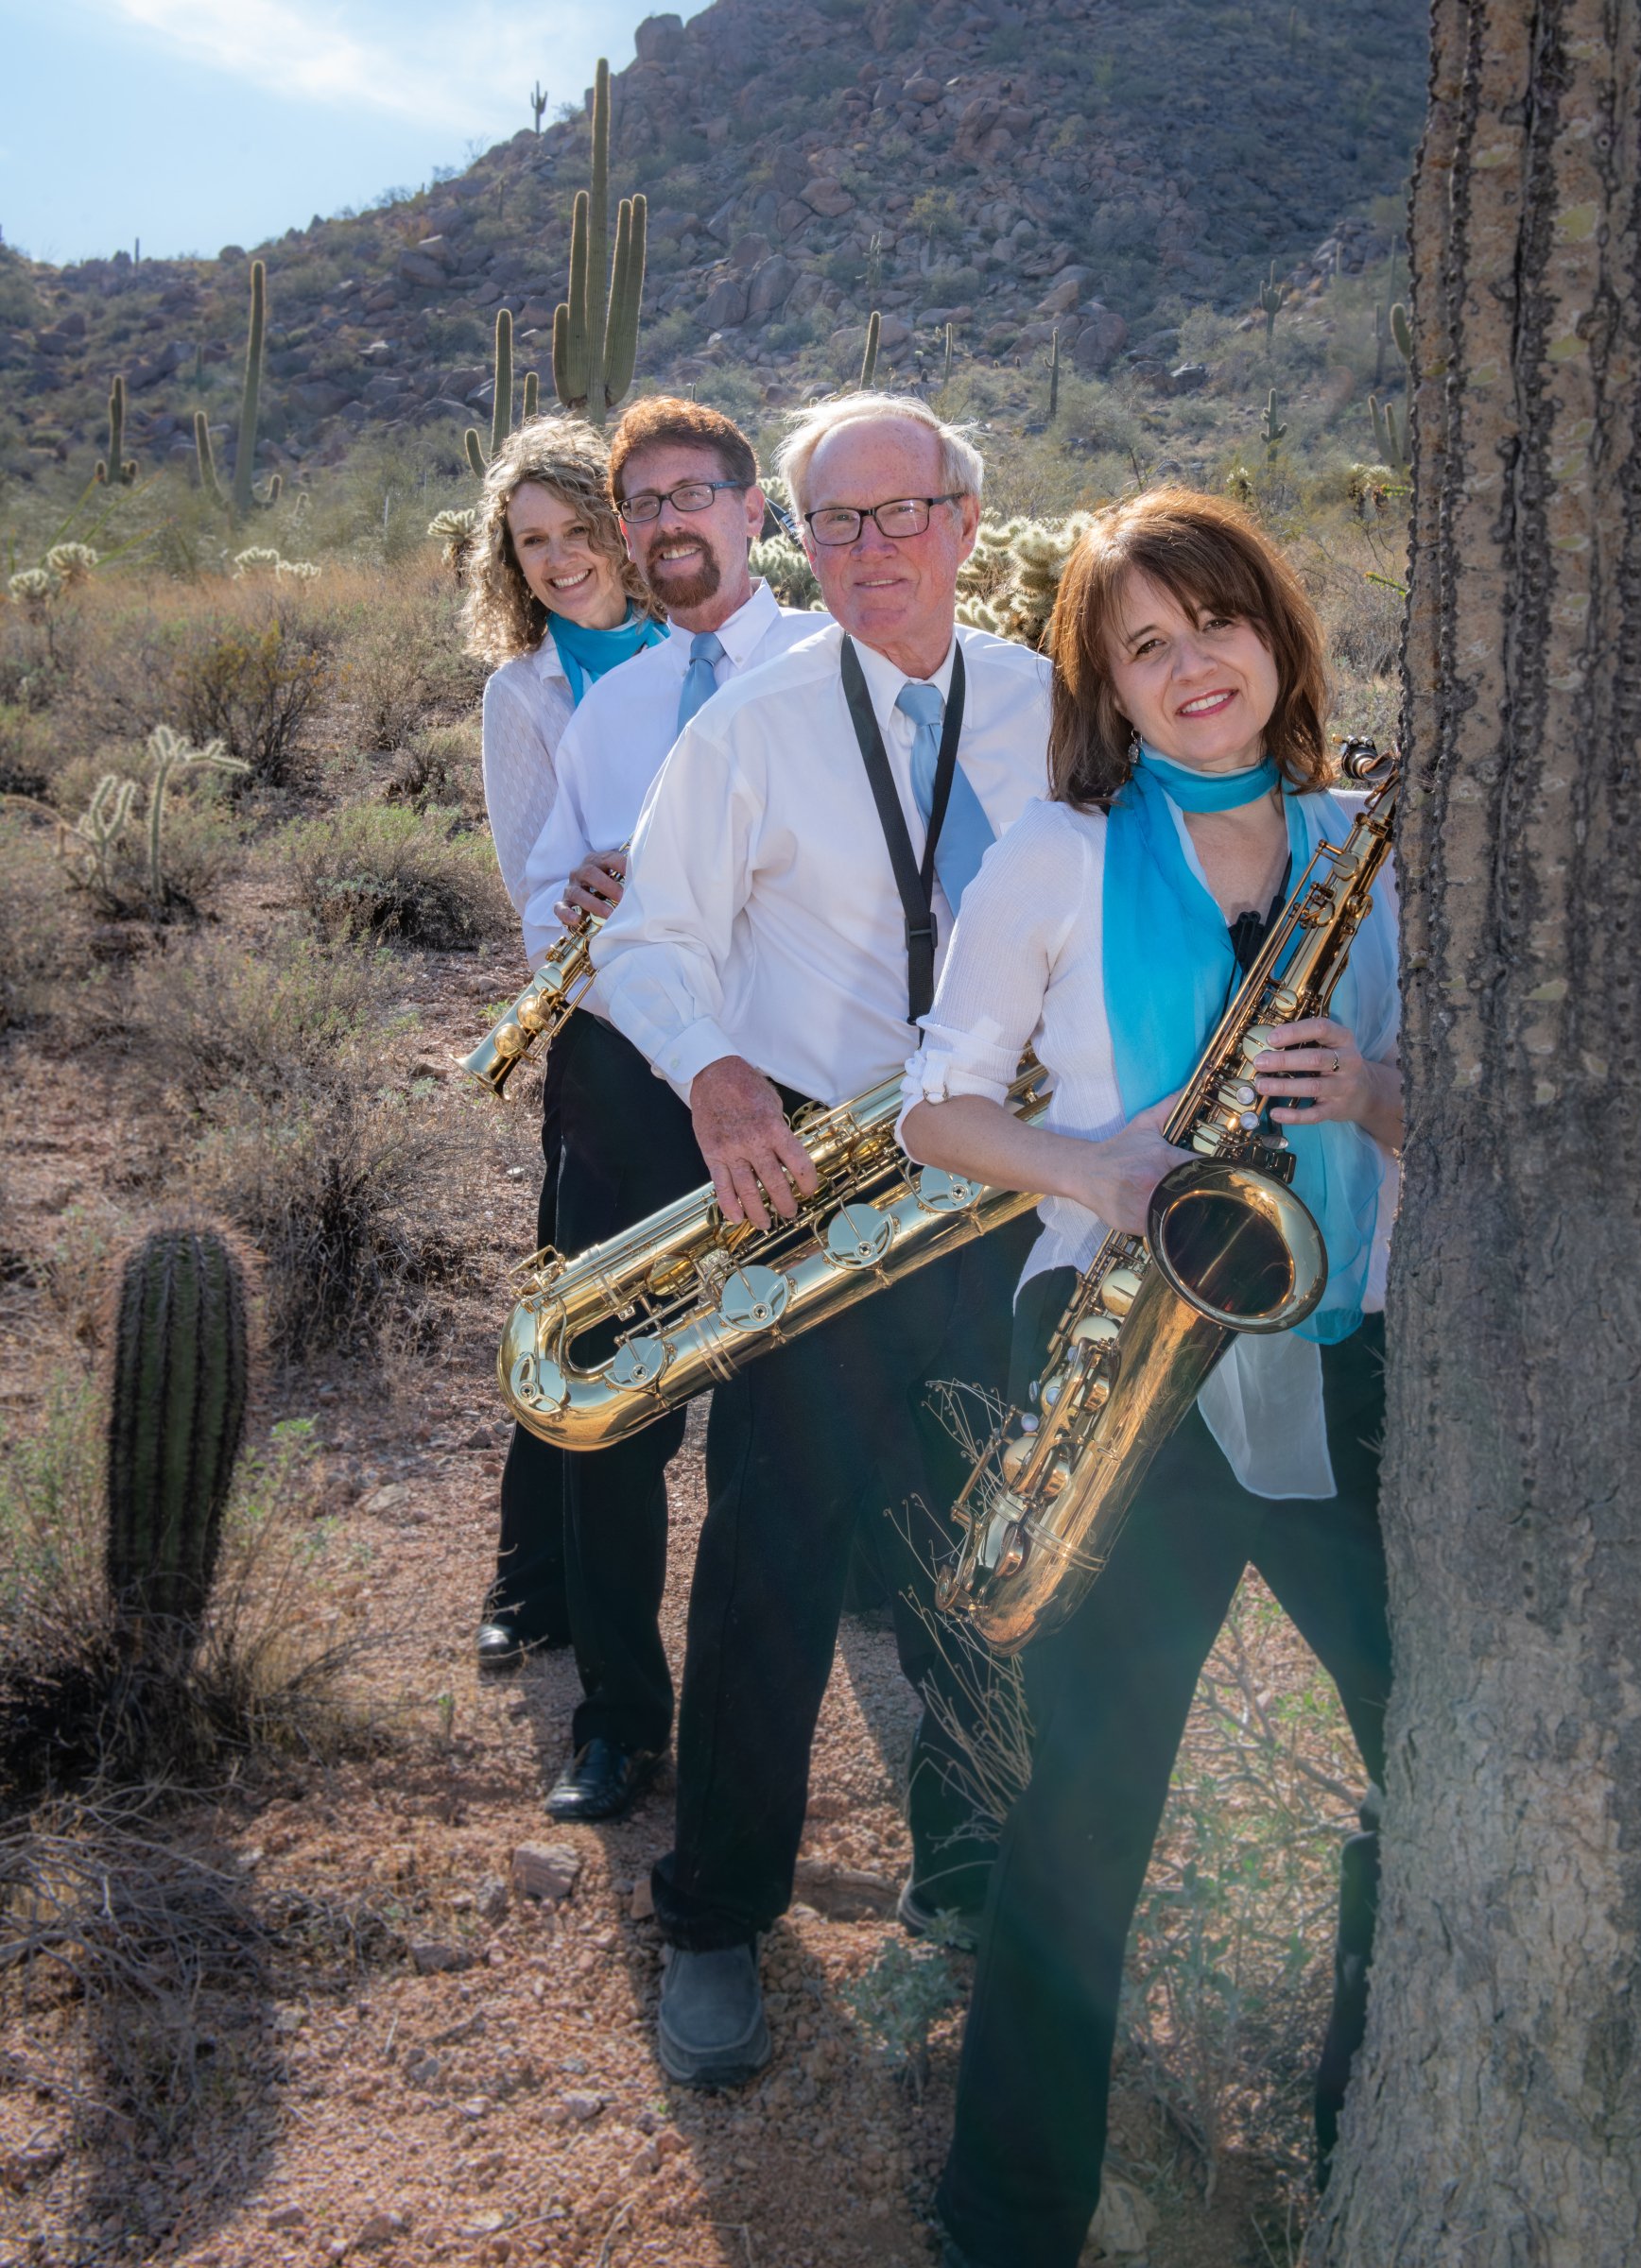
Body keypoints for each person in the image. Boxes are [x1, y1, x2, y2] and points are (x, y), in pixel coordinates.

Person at [896, 489, 1400, 2268]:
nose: (1196, 667)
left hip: (1351, 1365)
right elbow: (935, 1108)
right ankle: (1007, 2225)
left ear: (1278, 631)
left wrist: (1384, 1102)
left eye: (1221, 624)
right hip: (1127, 1360)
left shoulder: (1372, 845)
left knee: (1428, 1771)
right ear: (1106, 682)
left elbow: (1454, 1123)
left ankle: (1374, 2142)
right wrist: (1097, 1169)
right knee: (1094, 1809)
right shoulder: (1051, 853)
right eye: (1149, 643)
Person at [588, 394, 1052, 2087]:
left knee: (993, 1549)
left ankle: (970, 1859)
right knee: (773, 1565)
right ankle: (715, 1918)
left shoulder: (1057, 706)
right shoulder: (753, 727)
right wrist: (713, 1080)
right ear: (802, 540)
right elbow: (649, 939)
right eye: (834, 523)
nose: (871, 551)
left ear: (965, 523)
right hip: (829, 1205)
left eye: (900, 514)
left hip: (1013, 1196)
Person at [517, 397, 822, 1824]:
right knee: (610, 1415)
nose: (663, 524)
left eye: (691, 494)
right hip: (628, 1088)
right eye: (640, 504)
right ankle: (622, 1717)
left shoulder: (838, 671)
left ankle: (756, 1758)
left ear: (752, 512)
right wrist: (565, 898)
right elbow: (539, 892)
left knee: (784, 1424)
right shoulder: (615, 707)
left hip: (790, 1096)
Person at [467, 415, 666, 1678]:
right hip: (604, 1038)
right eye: (529, 543)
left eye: (577, 529)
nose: (558, 560)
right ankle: (533, 1583)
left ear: (622, 524)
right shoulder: (523, 690)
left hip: (757, 1033)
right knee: (579, 1310)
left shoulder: (709, 645)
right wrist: (599, 921)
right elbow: (530, 895)